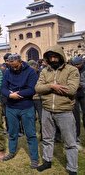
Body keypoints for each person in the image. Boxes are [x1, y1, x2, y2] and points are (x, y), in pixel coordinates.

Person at [35, 45, 80, 174]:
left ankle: (72, 168)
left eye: (55, 56)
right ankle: (47, 161)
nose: (53, 59)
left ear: (61, 56)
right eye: (50, 57)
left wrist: (47, 88)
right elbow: (38, 88)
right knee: (47, 138)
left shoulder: (71, 70)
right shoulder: (45, 71)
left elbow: (71, 90)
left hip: (64, 110)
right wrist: (52, 86)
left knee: (70, 141)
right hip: (47, 109)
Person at [1, 54, 39, 169]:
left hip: (26, 106)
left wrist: (18, 94)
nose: (14, 68)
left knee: (30, 134)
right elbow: (3, 87)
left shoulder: (30, 72)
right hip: (11, 107)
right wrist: (9, 94)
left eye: (16, 66)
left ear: (20, 62)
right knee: (12, 132)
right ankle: (12, 152)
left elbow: (32, 89)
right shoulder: (8, 71)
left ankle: (34, 158)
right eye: (11, 66)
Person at [71, 56, 85, 148]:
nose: (76, 67)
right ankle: (76, 136)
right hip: (74, 95)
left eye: (78, 65)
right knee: (75, 117)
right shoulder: (71, 69)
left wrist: (81, 85)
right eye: (75, 65)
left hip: (83, 94)